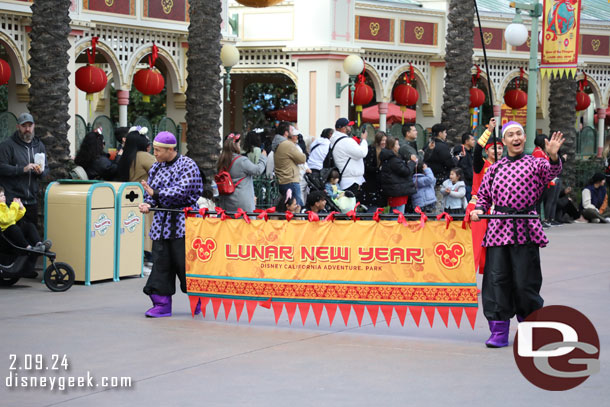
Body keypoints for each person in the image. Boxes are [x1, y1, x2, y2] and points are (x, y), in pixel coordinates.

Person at [470, 121, 564, 348]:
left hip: (526, 229)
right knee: (496, 281)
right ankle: (499, 332)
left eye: (519, 134)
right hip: (497, 231)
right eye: (510, 135)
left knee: (525, 283)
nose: (515, 138)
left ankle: (529, 331)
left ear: (524, 137)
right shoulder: (493, 169)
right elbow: (483, 198)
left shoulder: (535, 164)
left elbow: (552, 171)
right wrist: (478, 210)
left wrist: (552, 156)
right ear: (503, 141)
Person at [138, 132, 203, 318]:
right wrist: (147, 203)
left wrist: (156, 194)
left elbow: (182, 191)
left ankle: (197, 301)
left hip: (184, 226)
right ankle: (162, 305)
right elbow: (150, 193)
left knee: (186, 266)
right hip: (161, 227)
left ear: (170, 150)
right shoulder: (156, 167)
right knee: (161, 266)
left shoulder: (188, 165)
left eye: (158, 150)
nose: (155, 153)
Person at [0, 112, 48, 277]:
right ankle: (10, 267)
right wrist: (22, 169)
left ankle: (27, 269)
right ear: (18, 127)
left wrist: (40, 172)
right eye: (24, 126)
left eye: (30, 125)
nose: (27, 129)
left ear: (34, 126)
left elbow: (45, 169)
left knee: (31, 230)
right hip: (14, 198)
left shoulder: (39, 146)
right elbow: (1, 167)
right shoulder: (8, 146)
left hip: (31, 198)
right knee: (14, 234)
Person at [467, 118, 503, 274]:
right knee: (475, 246)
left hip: (495, 210)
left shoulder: (504, 166)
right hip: (478, 209)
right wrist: (489, 130)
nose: (497, 151)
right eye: (494, 149)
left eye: (501, 149)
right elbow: (477, 150)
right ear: (487, 151)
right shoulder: (480, 164)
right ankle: (469, 283)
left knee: (494, 249)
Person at [217, 133, 267, 212]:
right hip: (242, 203)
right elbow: (258, 170)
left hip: (227, 201)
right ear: (235, 145)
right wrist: (263, 157)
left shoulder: (221, 161)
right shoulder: (241, 161)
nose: (240, 147)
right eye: (239, 144)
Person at [0, 187, 50, 252]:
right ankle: (28, 247)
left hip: (12, 231)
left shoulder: (4, 206)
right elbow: (6, 219)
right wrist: (14, 206)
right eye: (1, 196)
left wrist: (21, 209)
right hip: (4, 235)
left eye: (3, 195)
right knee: (13, 228)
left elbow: (13, 218)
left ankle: (39, 244)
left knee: (29, 226)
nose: (4, 197)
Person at [330, 118, 369, 195]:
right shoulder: (346, 141)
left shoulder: (335, 139)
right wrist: (364, 140)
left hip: (345, 179)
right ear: (343, 128)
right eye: (349, 126)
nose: (350, 128)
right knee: (351, 206)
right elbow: (362, 153)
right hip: (351, 181)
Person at [378, 136, 417, 213]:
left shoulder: (388, 158)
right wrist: (412, 162)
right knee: (397, 216)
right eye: (397, 145)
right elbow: (406, 171)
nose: (399, 147)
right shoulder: (394, 160)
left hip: (394, 190)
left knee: (394, 214)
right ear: (392, 146)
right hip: (398, 191)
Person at [272, 122, 306, 207]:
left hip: (283, 180)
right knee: (296, 207)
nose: (293, 132)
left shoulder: (277, 143)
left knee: (287, 207)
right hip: (291, 180)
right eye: (291, 130)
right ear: (286, 132)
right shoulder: (287, 144)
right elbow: (302, 159)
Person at [423, 123, 456, 211]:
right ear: (440, 133)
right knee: (438, 203)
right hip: (440, 179)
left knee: (429, 204)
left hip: (428, 178)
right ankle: (436, 221)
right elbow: (449, 163)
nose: (446, 135)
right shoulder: (442, 147)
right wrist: (456, 160)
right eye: (445, 132)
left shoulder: (427, 145)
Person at [363, 131, 387, 210]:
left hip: (380, 184)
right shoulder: (371, 150)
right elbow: (367, 167)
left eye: (385, 140)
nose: (384, 142)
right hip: (372, 183)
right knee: (372, 208)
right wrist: (378, 169)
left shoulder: (385, 151)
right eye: (382, 140)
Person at [452, 133, 475, 201]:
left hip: (470, 183)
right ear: (466, 141)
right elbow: (464, 167)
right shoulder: (462, 152)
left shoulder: (470, 152)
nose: (474, 141)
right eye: (472, 140)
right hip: (465, 183)